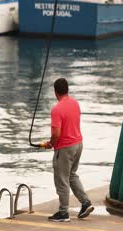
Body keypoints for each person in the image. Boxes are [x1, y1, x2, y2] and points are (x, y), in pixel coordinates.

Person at [43, 78, 94, 222]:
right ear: (67, 89)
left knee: (62, 180)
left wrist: (50, 144)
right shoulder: (75, 103)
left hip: (65, 148)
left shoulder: (57, 109)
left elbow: (56, 134)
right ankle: (85, 202)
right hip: (78, 144)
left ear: (55, 91)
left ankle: (63, 213)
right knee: (72, 175)